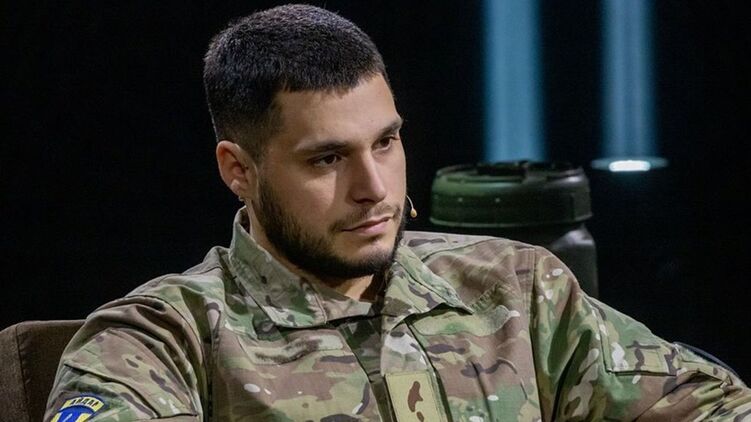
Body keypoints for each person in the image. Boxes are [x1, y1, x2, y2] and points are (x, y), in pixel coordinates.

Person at [45, 4, 750, 421]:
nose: (373, 187)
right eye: (326, 159)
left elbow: (717, 406)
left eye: (386, 142)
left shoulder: (514, 288)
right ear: (239, 170)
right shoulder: (164, 336)